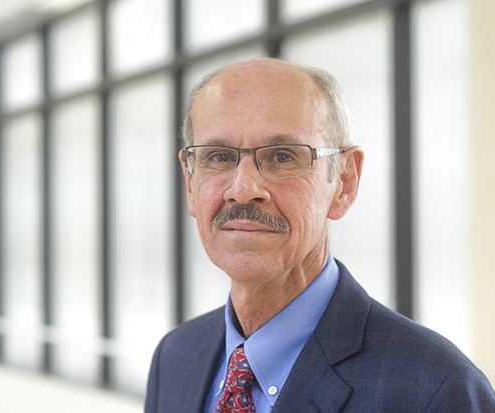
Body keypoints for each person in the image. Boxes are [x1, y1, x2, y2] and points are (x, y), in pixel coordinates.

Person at [144, 58, 495, 412]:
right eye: (218, 157)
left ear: (344, 182)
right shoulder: (175, 358)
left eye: (282, 157)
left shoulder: (434, 390)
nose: (243, 188)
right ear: (190, 184)